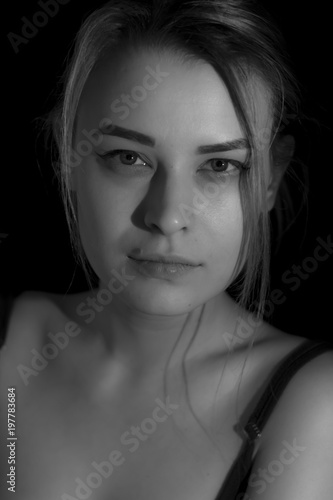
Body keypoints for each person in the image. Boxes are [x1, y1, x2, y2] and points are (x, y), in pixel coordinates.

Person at [0, 1, 332, 499]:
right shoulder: (10, 346)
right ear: (66, 158)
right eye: (128, 157)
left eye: (221, 166)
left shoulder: (312, 398)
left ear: (271, 180)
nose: (168, 215)